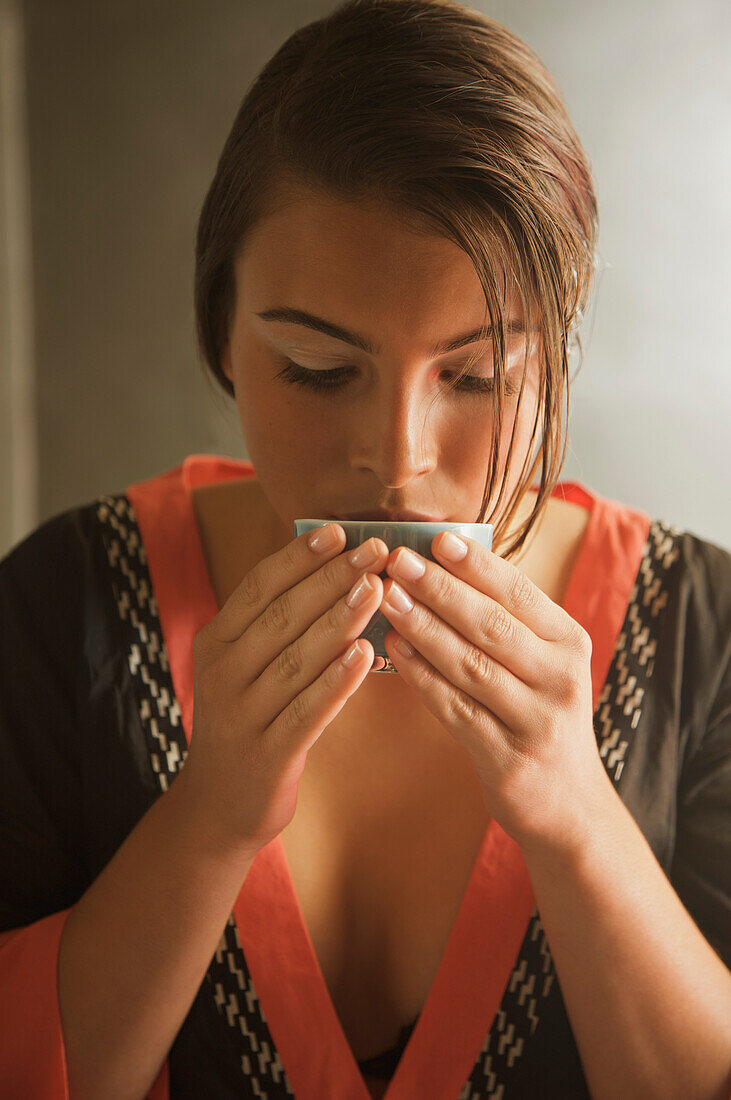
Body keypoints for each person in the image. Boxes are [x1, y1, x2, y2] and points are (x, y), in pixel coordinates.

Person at [1, 1, 730, 1098]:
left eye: (476, 375)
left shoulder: (703, 633)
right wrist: (208, 816)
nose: (394, 461)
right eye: (315, 367)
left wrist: (577, 814)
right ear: (222, 336)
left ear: (561, 354)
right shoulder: (64, 605)